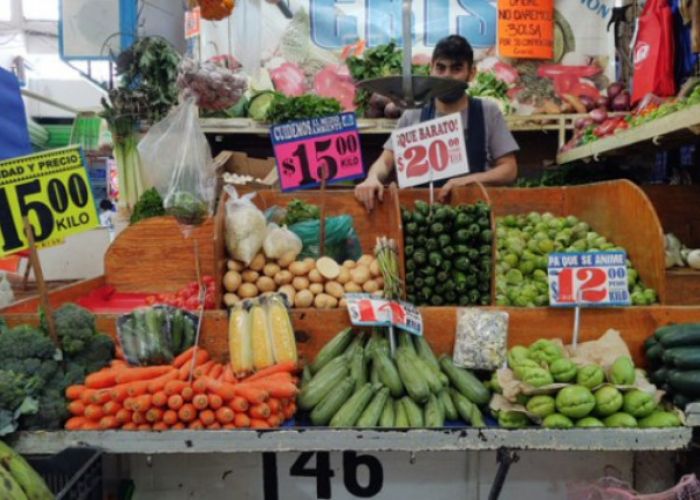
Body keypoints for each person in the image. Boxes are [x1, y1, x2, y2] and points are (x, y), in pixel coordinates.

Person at [355, 35, 519, 211]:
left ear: (471, 73)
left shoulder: (487, 111)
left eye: (456, 69)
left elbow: (509, 169)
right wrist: (372, 178)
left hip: (472, 217)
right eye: (440, 68)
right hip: (421, 217)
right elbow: (386, 161)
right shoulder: (413, 114)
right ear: (430, 69)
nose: (446, 76)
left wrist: (469, 180)